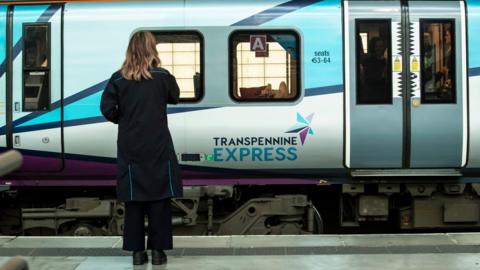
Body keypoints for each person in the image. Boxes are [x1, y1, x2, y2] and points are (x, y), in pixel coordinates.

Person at [100, 31, 183, 266]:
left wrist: (124, 119)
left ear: (130, 50)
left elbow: (107, 108)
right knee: (159, 199)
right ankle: (158, 252)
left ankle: (137, 254)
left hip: (130, 145)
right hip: (158, 145)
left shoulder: (117, 78)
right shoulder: (163, 76)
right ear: (152, 49)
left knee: (134, 201)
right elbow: (175, 97)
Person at [359, 36, 390, 104]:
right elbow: (373, 79)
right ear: (373, 47)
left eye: (381, 46)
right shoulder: (368, 61)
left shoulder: (386, 60)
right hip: (373, 95)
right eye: (377, 46)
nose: (380, 48)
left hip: (386, 95)